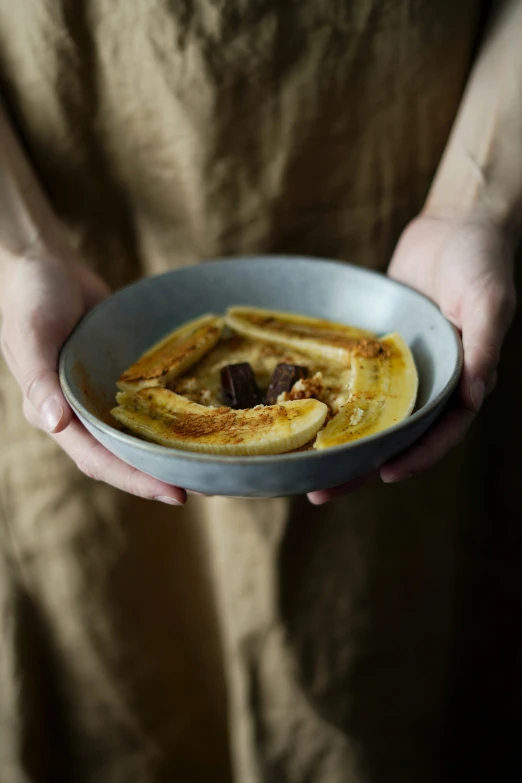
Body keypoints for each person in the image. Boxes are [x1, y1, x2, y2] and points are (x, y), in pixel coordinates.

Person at [0, 1, 520, 781]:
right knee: (125, 656)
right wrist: (17, 248)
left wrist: (477, 200)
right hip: (74, 221)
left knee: (390, 662)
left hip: (415, 182)